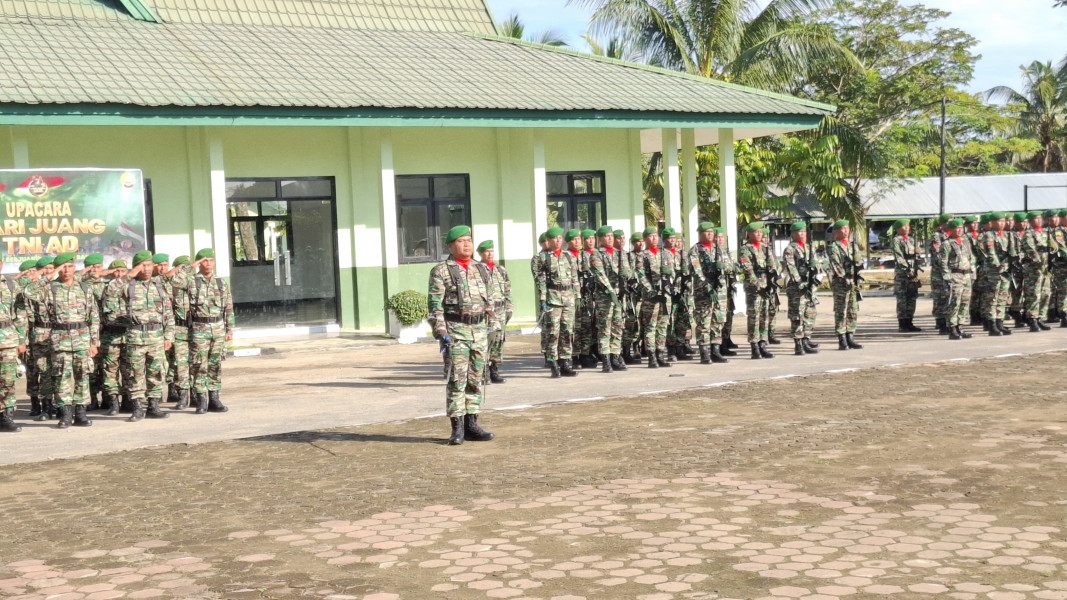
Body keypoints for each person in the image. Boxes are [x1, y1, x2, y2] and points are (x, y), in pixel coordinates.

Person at [427, 225, 494, 445]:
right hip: (456, 332)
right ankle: (457, 429)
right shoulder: (442, 271)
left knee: (476, 378)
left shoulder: (482, 269)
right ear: (450, 245)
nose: (467, 244)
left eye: (469, 240)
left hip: (479, 332)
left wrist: (492, 325)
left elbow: (491, 300)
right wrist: (441, 332)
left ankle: (472, 425)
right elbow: (435, 306)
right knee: (457, 379)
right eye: (461, 241)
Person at [103, 251, 175, 422]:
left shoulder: (159, 285)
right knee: (135, 373)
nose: (148, 269)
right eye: (144, 265)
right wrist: (130, 274)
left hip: (156, 336)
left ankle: (153, 406)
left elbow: (168, 313)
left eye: (150, 265)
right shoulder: (127, 285)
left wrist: (169, 336)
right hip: (135, 336)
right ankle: (137, 407)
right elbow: (111, 291)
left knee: (156, 372)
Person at [171, 248, 233, 413]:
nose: (208, 264)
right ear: (199, 263)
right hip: (199, 329)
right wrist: (192, 266)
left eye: (211, 260)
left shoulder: (220, 282)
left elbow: (228, 306)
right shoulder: (192, 281)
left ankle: (214, 398)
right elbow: (175, 282)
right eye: (205, 261)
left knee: (215, 365)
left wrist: (229, 329)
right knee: (199, 365)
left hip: (218, 328)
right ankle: (201, 400)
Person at [43, 253, 99, 428]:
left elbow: (94, 317)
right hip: (60, 341)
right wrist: (50, 276)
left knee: (83, 376)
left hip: (82, 338)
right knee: (62, 378)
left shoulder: (84, 288)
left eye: (70, 266)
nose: (67, 271)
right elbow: (29, 292)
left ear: (75, 267)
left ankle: (81, 413)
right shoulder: (50, 288)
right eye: (63, 267)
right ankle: (65, 414)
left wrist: (94, 342)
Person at [536, 227, 579, 378]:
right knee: (553, 332)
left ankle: (566, 362)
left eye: (560, 238)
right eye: (555, 238)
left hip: (568, 298)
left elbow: (574, 278)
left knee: (567, 331)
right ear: (548, 241)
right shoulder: (542, 258)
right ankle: (553, 362)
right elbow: (540, 281)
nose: (558, 240)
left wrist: (577, 296)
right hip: (552, 299)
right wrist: (543, 300)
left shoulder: (569, 256)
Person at [688, 222, 730, 364]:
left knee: (718, 320)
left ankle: (716, 350)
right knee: (704, 322)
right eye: (706, 232)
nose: (710, 234)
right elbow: (696, 270)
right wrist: (706, 285)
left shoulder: (720, 249)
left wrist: (724, 266)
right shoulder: (695, 250)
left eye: (711, 231)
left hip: (720, 290)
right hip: (703, 291)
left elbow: (731, 265)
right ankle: (704, 352)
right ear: (700, 234)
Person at [636, 226, 676, 368]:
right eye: (651, 236)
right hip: (651, 297)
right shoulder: (642, 255)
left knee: (663, 326)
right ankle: (651, 356)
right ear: (646, 239)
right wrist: (651, 291)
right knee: (650, 326)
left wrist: (670, 279)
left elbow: (673, 271)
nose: (654, 239)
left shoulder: (666, 253)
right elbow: (641, 276)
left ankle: (660, 354)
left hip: (665, 295)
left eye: (656, 236)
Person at [781, 221, 821, 355]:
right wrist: (800, 283)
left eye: (804, 232)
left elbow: (817, 265)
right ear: (793, 234)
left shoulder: (810, 248)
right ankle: (798, 343)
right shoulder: (790, 249)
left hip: (810, 286)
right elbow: (791, 268)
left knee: (810, 313)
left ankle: (806, 339)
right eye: (799, 232)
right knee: (797, 315)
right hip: (797, 287)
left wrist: (816, 273)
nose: (802, 234)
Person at [476, 240, 512, 384]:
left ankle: (495, 369)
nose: (490, 254)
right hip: (487, 312)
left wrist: (509, 307)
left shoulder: (500, 269)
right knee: (487, 340)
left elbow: (508, 290)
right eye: (486, 251)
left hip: (501, 310)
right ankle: (483, 371)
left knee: (499, 340)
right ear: (480, 253)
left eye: (492, 251)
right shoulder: (478, 269)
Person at [591, 226, 626, 372]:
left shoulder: (619, 254)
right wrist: (611, 291)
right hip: (605, 297)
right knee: (605, 328)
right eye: (606, 236)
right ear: (600, 239)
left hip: (619, 296)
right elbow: (600, 275)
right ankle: (605, 359)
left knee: (617, 327)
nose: (610, 238)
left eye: (611, 235)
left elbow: (627, 271)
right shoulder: (596, 254)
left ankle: (615, 357)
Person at [738, 222, 775, 359]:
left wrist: (772, 280)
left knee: (765, 316)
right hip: (754, 288)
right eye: (756, 232)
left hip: (767, 286)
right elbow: (747, 269)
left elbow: (773, 264)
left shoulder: (765, 248)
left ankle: (763, 344)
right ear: (749, 233)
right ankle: (754, 346)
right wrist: (758, 285)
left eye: (761, 232)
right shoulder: (745, 249)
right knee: (754, 316)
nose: (760, 234)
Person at [26, 255, 56, 420]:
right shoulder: (35, 288)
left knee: (59, 370)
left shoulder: (60, 287)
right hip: (39, 333)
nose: (50, 273)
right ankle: (45, 406)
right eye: (46, 270)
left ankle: (59, 405)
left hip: (60, 333)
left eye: (52, 269)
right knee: (43, 370)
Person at [0, 256, 28, 432]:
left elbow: (20, 315)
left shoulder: (11, 285)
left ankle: (6, 416)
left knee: (8, 380)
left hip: (8, 340)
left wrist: (21, 340)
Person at [827, 219, 864, 350]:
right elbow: (836, 265)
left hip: (853, 282)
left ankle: (850, 336)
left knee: (852, 310)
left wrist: (858, 275)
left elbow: (859, 261)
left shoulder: (853, 246)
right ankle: (842, 339)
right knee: (841, 311)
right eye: (842, 228)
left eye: (847, 228)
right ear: (836, 231)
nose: (845, 231)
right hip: (841, 283)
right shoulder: (834, 247)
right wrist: (845, 278)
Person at [977, 212, 1013, 336]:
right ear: (992, 223)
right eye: (999, 221)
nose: (1002, 223)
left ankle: (1000, 323)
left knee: (1002, 298)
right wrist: (999, 265)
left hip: (1005, 271)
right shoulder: (989, 235)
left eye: (1003, 221)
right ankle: (992, 325)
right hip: (993, 271)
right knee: (992, 299)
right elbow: (991, 253)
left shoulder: (1006, 235)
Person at [165, 255, 194, 408]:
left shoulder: (196, 283)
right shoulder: (172, 285)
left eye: (188, 267)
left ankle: (197, 395)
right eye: (184, 267)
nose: (188, 271)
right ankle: (183, 396)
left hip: (197, 330)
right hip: (179, 329)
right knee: (181, 364)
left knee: (197, 363)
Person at [941, 219, 975, 340]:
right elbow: (943, 262)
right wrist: (947, 277)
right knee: (954, 303)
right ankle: (952, 328)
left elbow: (971, 258)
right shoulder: (947, 244)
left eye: (961, 227)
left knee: (965, 303)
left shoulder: (965, 242)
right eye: (957, 228)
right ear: (950, 230)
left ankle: (960, 327)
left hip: (966, 276)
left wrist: (972, 272)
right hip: (955, 276)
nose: (960, 230)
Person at [1021, 210, 1054, 331]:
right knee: (1034, 294)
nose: (1039, 220)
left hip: (1045, 269)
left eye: (1040, 218)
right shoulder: (1028, 234)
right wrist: (1041, 262)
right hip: (1034, 269)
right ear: (1030, 221)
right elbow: (1031, 250)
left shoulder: (1045, 232)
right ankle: (1032, 319)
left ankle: (1040, 317)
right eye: (1036, 218)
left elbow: (1052, 248)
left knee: (1046, 293)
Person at [890, 219, 923, 332]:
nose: (906, 228)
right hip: (903, 274)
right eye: (903, 226)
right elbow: (899, 257)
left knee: (912, 298)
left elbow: (915, 256)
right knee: (902, 299)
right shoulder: (896, 241)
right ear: (898, 229)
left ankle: (910, 322)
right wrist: (908, 270)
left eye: (907, 225)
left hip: (913, 273)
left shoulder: (911, 240)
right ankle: (902, 324)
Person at [574, 229, 599, 368]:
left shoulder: (595, 255)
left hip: (591, 295)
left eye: (592, 238)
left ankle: (586, 353)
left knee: (589, 326)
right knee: (577, 327)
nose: (591, 241)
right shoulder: (573, 256)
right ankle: (575, 356)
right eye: (587, 238)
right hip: (578, 297)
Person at [621, 232, 644, 364]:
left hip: (644, 294)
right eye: (637, 241)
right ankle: (627, 350)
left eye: (641, 241)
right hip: (631, 294)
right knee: (631, 322)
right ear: (633, 243)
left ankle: (639, 347)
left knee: (642, 323)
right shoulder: (627, 256)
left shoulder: (647, 255)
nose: (640, 244)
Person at [929, 214, 953, 335]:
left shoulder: (952, 236)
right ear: (942, 224)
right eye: (948, 222)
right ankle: (941, 323)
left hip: (951, 272)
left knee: (949, 297)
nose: (951, 224)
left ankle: (949, 322)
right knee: (940, 298)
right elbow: (938, 255)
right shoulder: (937, 236)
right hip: (939, 273)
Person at [762, 228, 782, 345]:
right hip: (764, 284)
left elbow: (778, 265)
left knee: (773, 310)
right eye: (764, 237)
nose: (766, 239)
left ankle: (771, 333)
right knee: (764, 312)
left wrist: (777, 272)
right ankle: (764, 335)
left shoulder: (770, 251)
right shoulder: (759, 251)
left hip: (774, 285)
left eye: (767, 237)